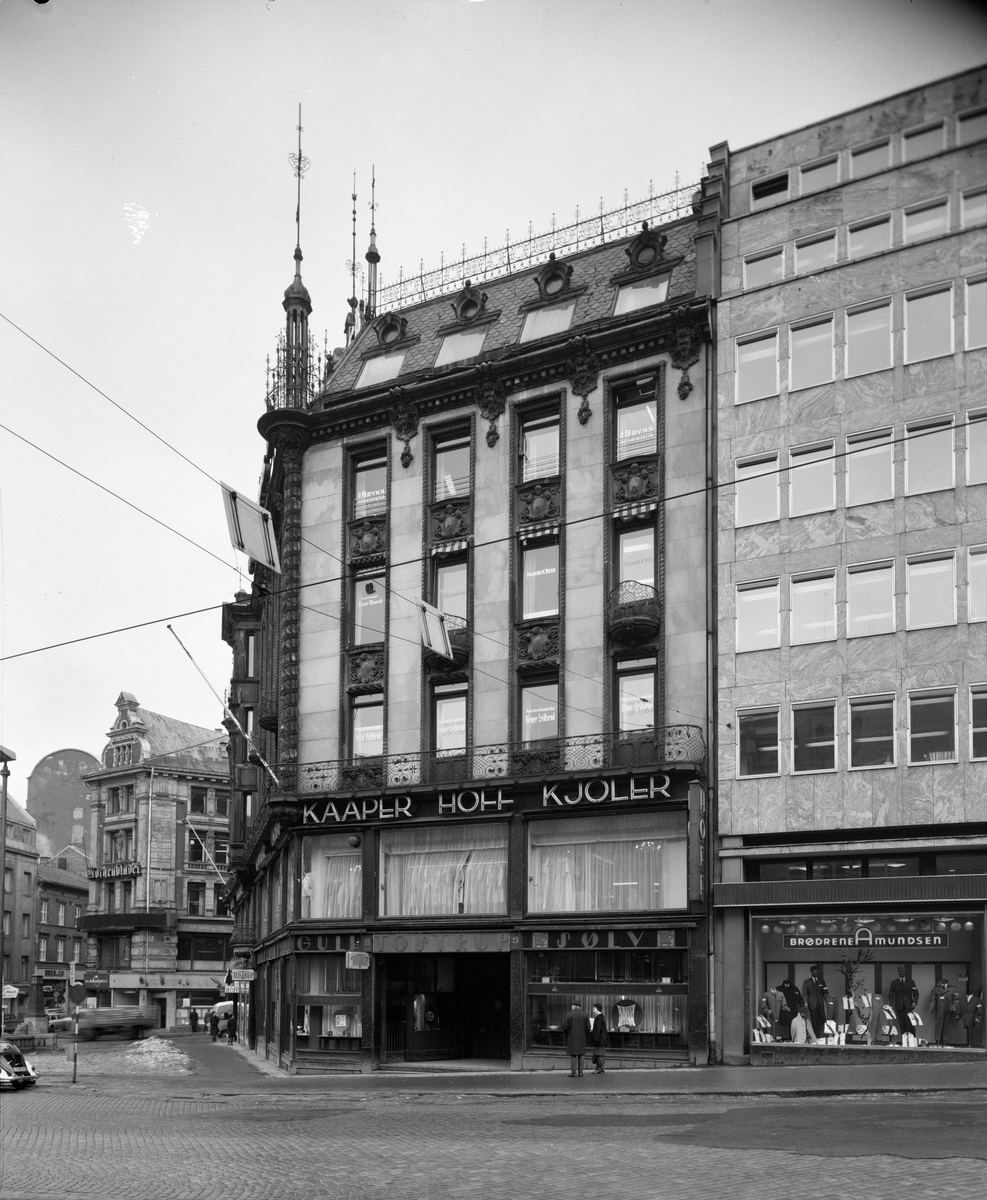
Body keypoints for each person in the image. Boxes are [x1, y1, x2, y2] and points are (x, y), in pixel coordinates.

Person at [562, 1001, 590, 1077]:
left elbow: (565, 1027)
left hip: (572, 1037)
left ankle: (573, 1072)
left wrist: (567, 1035)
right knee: (581, 1054)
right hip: (582, 1037)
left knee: (573, 1055)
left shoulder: (568, 1014)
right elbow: (588, 1027)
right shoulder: (585, 1015)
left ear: (573, 1006)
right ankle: (580, 1072)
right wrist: (584, 1034)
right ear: (579, 1007)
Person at [802, 964, 829, 1038]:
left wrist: (827, 1001)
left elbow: (825, 992)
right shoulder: (807, 982)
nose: (815, 973)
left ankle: (824, 1036)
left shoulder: (821, 981)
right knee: (814, 1021)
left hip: (820, 1003)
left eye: (817, 971)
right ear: (811, 972)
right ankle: (814, 1037)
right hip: (812, 1003)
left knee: (823, 1019)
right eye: (814, 971)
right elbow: (805, 994)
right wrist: (806, 1003)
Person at [929, 976, 957, 1046]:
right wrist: (931, 1008)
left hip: (949, 1009)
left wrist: (953, 1007)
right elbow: (932, 999)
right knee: (939, 1025)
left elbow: (956, 999)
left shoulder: (953, 989)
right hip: (940, 1009)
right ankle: (938, 1040)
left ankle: (945, 1041)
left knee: (947, 1025)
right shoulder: (936, 989)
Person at [590, 1004, 609, 1074]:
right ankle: (601, 1068)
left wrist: (595, 1039)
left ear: (598, 1009)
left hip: (599, 1040)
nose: (593, 1010)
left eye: (594, 1009)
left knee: (599, 1054)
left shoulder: (598, 1017)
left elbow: (597, 1030)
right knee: (600, 1054)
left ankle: (599, 1068)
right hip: (602, 1039)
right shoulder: (601, 1017)